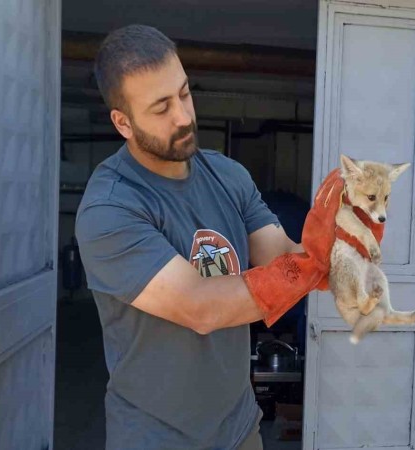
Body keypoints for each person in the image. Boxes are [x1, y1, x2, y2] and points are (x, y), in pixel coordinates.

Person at [75, 24, 341, 450]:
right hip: (155, 437)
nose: (183, 117)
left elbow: (281, 256)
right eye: (161, 107)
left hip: (238, 429)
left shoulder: (227, 174)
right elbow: (200, 307)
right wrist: (309, 268)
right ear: (123, 122)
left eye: (183, 93)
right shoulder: (110, 208)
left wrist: (339, 248)